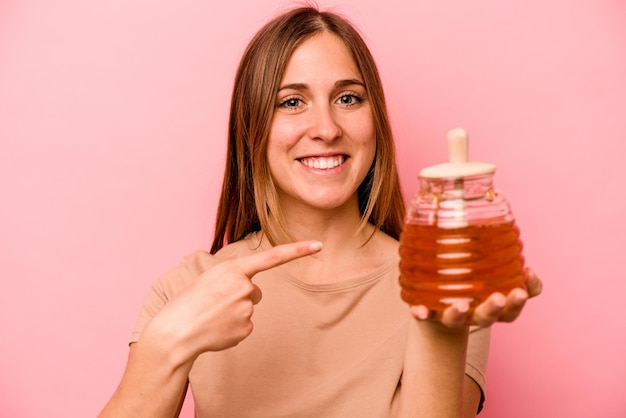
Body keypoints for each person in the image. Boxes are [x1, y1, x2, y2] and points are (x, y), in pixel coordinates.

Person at [99, 5, 542, 418]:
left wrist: (441, 329)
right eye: (291, 102)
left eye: (348, 98)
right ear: (251, 124)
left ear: (376, 118)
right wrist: (169, 340)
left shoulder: (446, 283)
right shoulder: (187, 289)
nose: (327, 129)